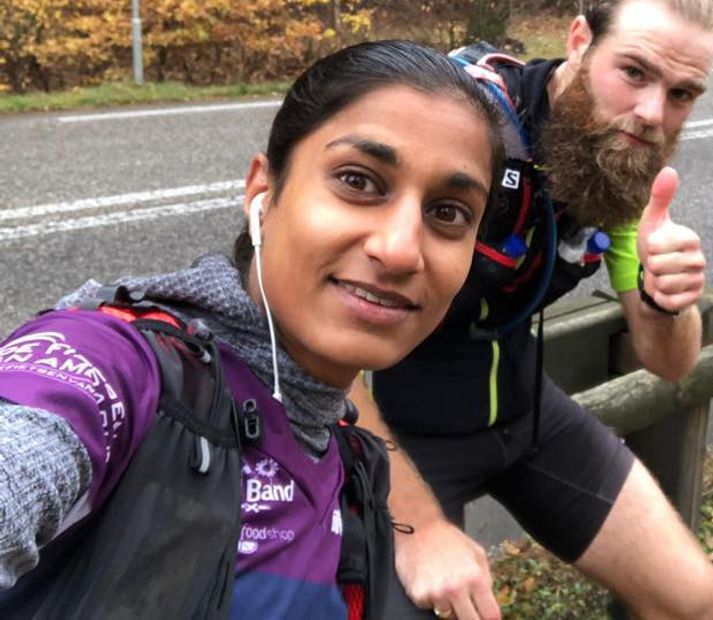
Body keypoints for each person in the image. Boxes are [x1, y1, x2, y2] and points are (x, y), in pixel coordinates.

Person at [0, 40, 505, 618]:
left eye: (448, 213)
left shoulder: (351, 456)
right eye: (357, 181)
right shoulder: (118, 367)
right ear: (263, 194)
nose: (399, 250)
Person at [352, 0, 713, 619]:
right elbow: (301, 327)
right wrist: (416, 526)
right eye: (634, 72)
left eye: (682, 94)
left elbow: (670, 362)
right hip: (386, 434)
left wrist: (671, 298)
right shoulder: (455, 125)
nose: (651, 113)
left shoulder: (620, 158)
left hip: (522, 416)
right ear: (580, 38)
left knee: (695, 601)